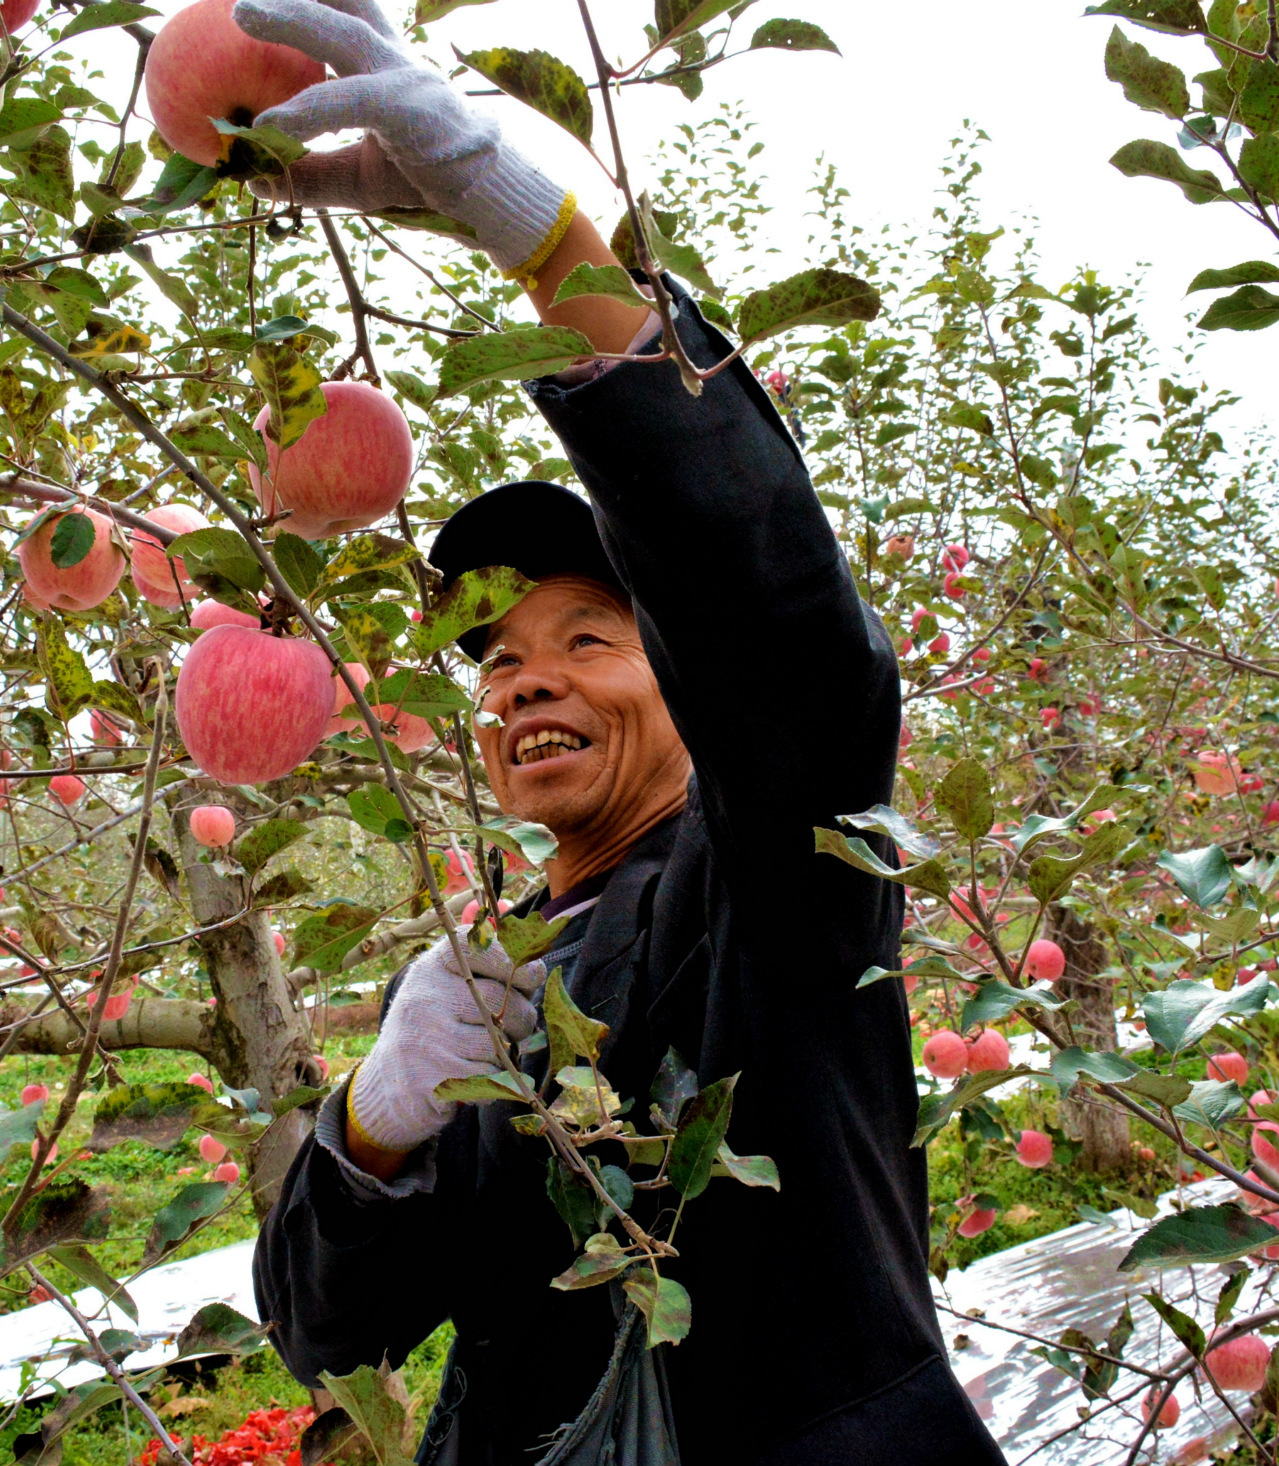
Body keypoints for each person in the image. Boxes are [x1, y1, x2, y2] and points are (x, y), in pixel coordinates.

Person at [238, 1, 1006, 1461]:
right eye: (501, 660)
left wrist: (539, 240)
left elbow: (773, 624)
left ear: (683, 684)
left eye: (587, 640)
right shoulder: (506, 984)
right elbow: (320, 1325)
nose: (526, 682)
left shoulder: (775, 879)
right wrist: (378, 1123)